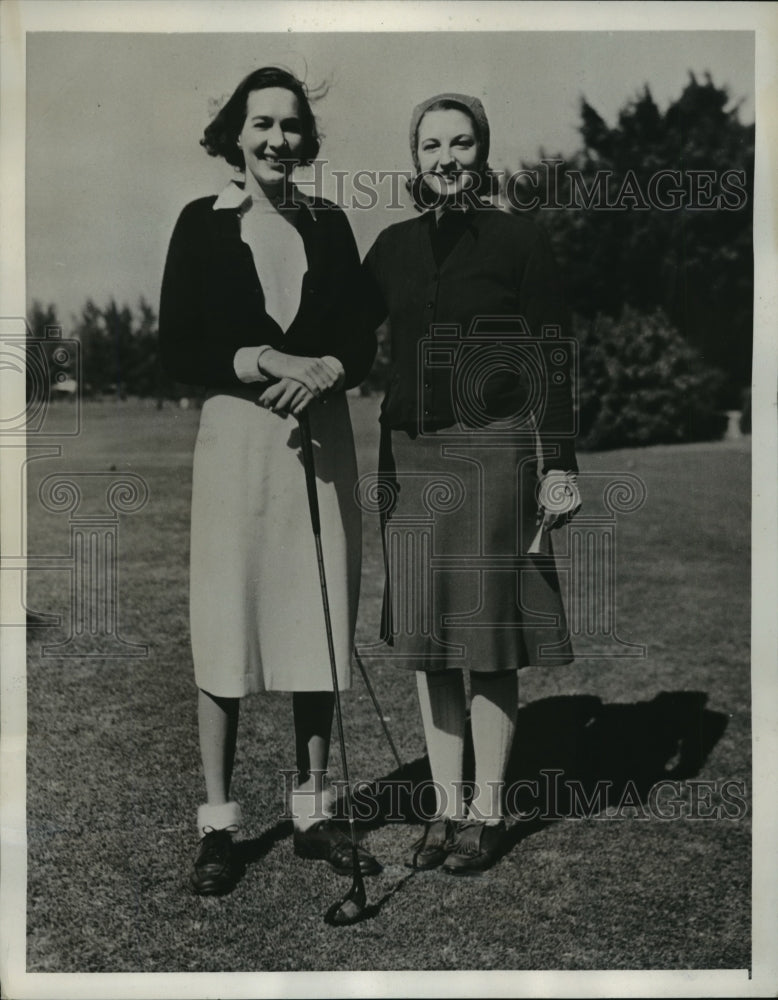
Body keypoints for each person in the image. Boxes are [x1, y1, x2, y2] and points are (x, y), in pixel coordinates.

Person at [159, 66, 378, 895]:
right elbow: (177, 344)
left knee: (315, 619)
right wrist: (261, 359)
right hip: (237, 445)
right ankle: (219, 825)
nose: (277, 140)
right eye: (262, 125)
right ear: (235, 134)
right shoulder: (200, 223)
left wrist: (325, 365)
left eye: (290, 126)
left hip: (321, 441)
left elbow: (359, 333)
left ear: (305, 139)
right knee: (226, 625)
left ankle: (313, 811)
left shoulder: (329, 222)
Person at [361, 93, 581, 874]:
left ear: (481, 152)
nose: (445, 157)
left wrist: (559, 466)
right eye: (431, 145)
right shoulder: (388, 246)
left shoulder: (521, 240)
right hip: (409, 460)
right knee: (430, 647)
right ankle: (444, 811)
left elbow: (553, 354)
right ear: (415, 157)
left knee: (486, 644)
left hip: (494, 457)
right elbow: (345, 338)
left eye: (460, 143)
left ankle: (487, 814)